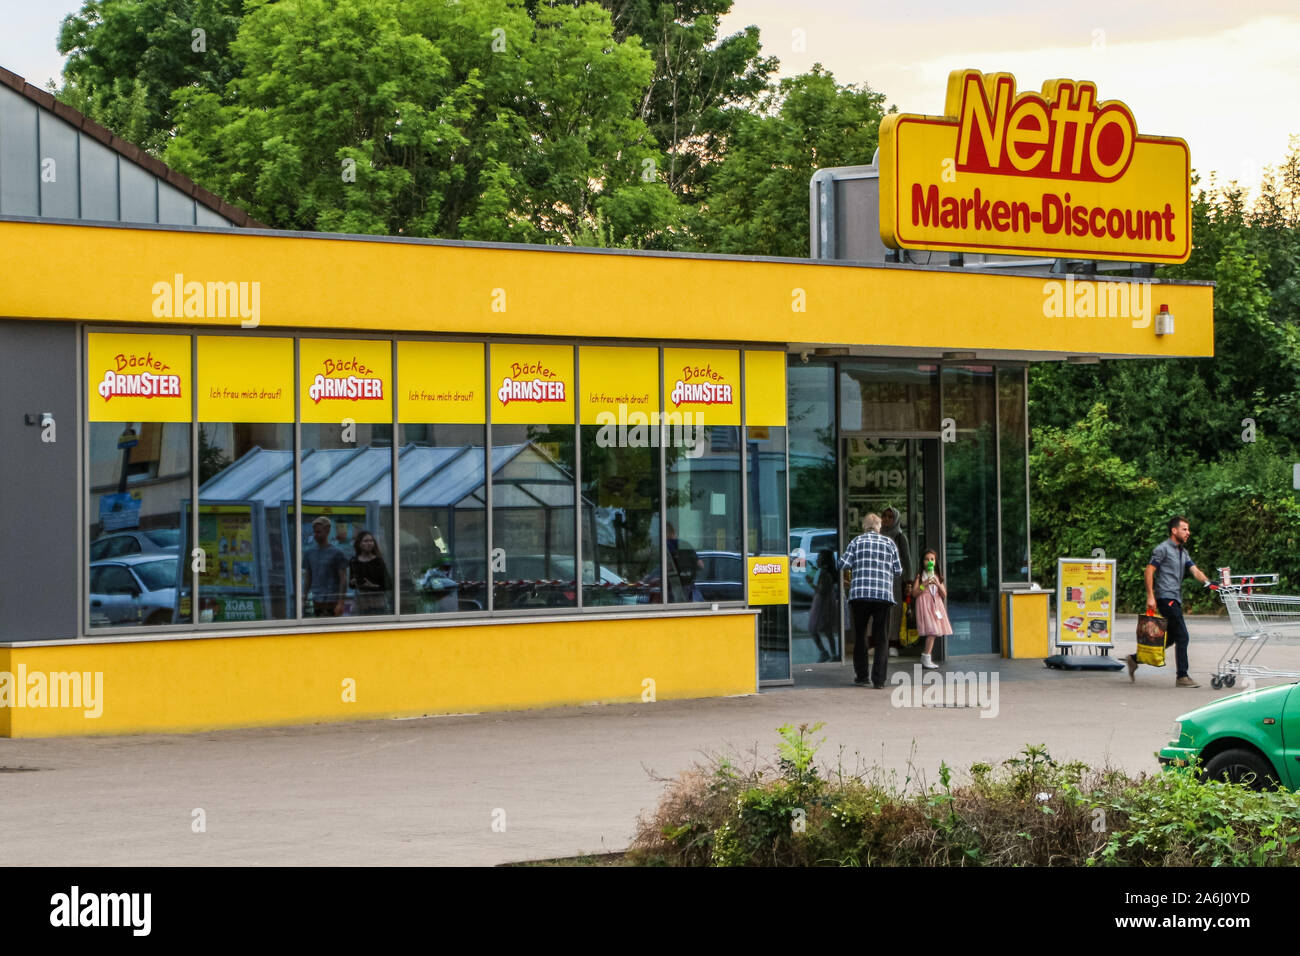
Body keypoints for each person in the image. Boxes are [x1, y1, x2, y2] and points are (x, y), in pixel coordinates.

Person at [1126, 515, 1210, 687]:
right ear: (1174, 530)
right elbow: (1149, 571)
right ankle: (1182, 676)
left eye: (1188, 529)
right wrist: (1151, 596)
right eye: (1184, 529)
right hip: (1166, 598)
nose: (1188, 533)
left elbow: (1195, 571)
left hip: (1175, 599)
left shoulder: (1183, 552)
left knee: (1171, 637)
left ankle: (1134, 659)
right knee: (1183, 637)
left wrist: (1210, 583)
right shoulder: (1162, 549)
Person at [837, 513, 902, 688]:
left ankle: (862, 676)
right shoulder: (889, 543)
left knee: (860, 636)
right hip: (883, 596)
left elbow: (842, 564)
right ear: (879, 527)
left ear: (864, 527)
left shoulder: (856, 542)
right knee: (882, 638)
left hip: (859, 596)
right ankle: (879, 680)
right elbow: (898, 570)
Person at [910, 549, 951, 670]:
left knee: (933, 631)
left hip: (935, 604)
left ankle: (926, 657)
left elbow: (944, 594)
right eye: (927, 559)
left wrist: (937, 584)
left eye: (932, 559)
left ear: (935, 561)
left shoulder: (937, 576)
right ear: (922, 561)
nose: (929, 562)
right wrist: (925, 583)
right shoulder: (919, 576)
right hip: (924, 603)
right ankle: (926, 657)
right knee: (932, 631)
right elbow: (915, 593)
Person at [881, 506, 913, 655]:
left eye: (890, 517)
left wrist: (909, 582)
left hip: (896, 580)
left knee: (895, 611)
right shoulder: (878, 535)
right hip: (880, 579)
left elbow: (907, 561)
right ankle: (880, 642)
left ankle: (893, 643)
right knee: (881, 611)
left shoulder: (900, 537)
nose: (886, 519)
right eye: (884, 516)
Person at [303, 515, 348, 617]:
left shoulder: (337, 553)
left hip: (332, 601)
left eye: (318, 532)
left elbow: (343, 578)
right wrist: (304, 597)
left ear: (327, 531)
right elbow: (308, 577)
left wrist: (341, 602)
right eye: (314, 532)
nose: (315, 535)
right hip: (316, 600)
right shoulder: (309, 553)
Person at [807, 549, 840, 662]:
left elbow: (821, 591)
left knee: (813, 628)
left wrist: (811, 583)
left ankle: (824, 652)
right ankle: (834, 653)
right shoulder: (825, 571)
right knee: (827, 630)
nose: (817, 559)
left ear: (823, 560)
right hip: (825, 602)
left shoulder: (824, 573)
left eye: (819, 557)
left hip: (821, 603)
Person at [349, 530, 392, 615]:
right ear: (359, 544)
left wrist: (373, 586)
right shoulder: (354, 561)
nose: (369, 543)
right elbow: (351, 585)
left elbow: (389, 584)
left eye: (371, 541)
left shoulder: (378, 561)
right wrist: (353, 582)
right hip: (361, 605)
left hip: (378, 605)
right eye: (366, 541)